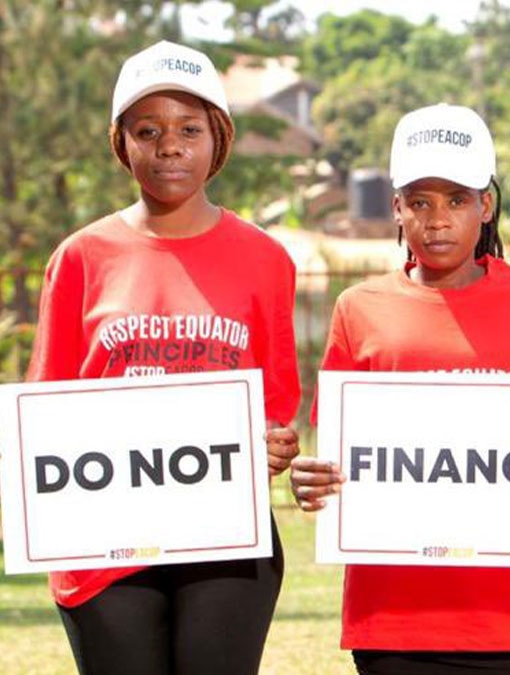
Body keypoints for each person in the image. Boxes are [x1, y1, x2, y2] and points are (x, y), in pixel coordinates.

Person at [289, 103, 510, 675]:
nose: (438, 220)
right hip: (390, 616)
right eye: (420, 202)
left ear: (485, 205)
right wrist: (313, 478)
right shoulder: (357, 309)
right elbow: (337, 455)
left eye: (457, 200)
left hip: (506, 618)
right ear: (397, 208)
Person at [27, 40, 301, 675]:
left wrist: (274, 443)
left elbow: (277, 400)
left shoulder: (265, 259)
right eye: (147, 130)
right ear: (122, 143)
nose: (170, 146)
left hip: (226, 536)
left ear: (219, 139)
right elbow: (46, 409)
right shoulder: (81, 257)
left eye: (189, 129)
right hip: (104, 541)